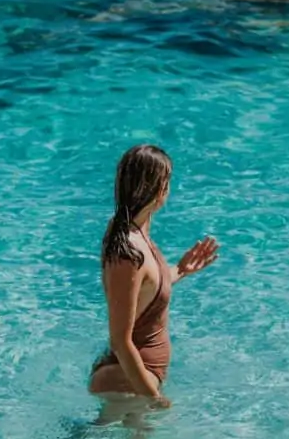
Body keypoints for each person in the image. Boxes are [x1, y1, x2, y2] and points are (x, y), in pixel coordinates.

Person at [89, 144, 218, 414]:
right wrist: (153, 399)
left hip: (134, 378)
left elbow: (145, 289)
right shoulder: (128, 252)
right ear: (159, 189)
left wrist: (181, 270)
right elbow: (120, 341)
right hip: (129, 380)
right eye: (167, 181)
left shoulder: (136, 232)